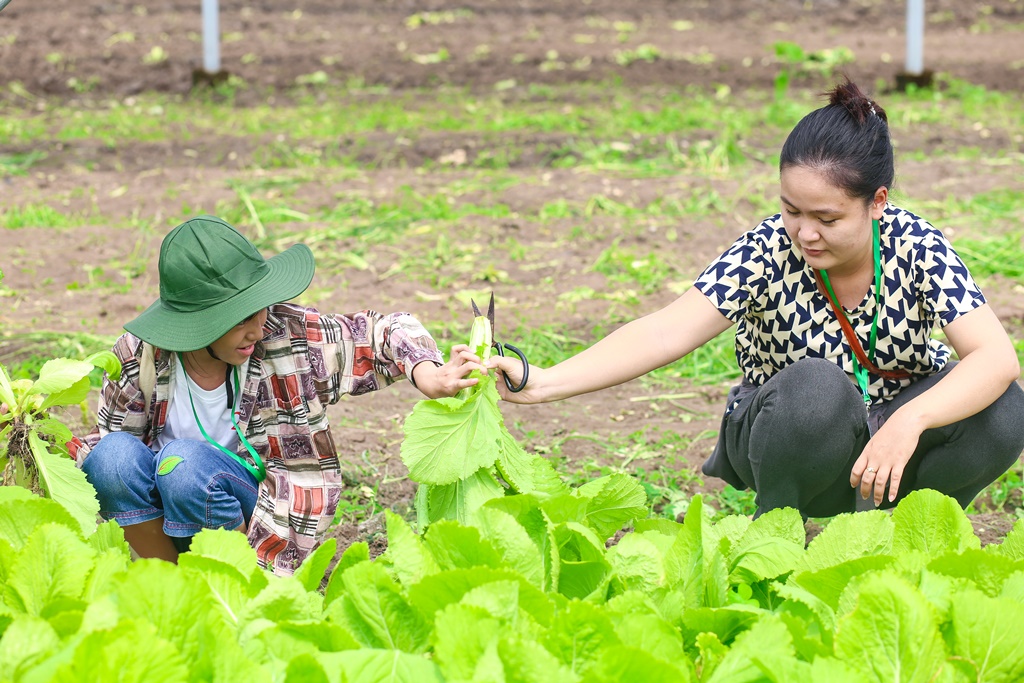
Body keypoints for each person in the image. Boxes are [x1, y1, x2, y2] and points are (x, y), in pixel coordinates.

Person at [487, 78, 1024, 519]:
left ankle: (909, 525)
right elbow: (666, 330)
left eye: (827, 218)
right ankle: (778, 531)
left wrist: (912, 420)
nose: (804, 233)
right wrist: (544, 382)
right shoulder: (767, 249)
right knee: (818, 387)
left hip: (891, 435)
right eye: (792, 210)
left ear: (877, 203)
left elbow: (997, 359)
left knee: (1005, 407)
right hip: (788, 432)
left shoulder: (916, 246)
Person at [71, 215, 482, 575]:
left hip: (251, 518)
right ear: (196, 324)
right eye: (237, 321)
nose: (256, 328)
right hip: (164, 518)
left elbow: (385, 331)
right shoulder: (141, 356)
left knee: (184, 464)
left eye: (259, 310)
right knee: (111, 459)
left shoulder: (289, 337)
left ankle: (238, 585)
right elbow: (109, 446)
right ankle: (167, 580)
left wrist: (429, 373)